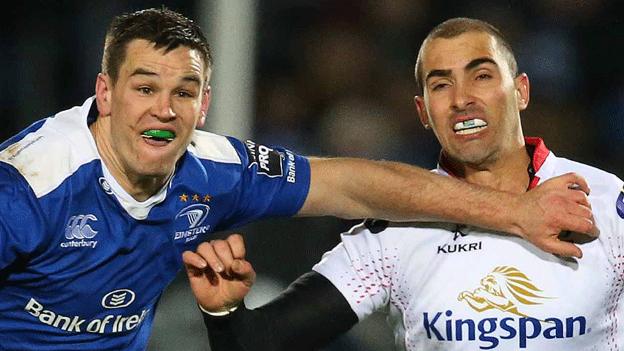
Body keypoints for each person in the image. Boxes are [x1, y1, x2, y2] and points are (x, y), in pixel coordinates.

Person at [0, 8, 594, 350]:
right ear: (103, 93)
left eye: (184, 92)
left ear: (204, 105)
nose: (165, 110)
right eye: (145, 89)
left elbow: (351, 184)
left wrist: (517, 213)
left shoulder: (214, 171)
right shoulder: (31, 186)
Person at [187, 17, 623, 351]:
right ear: (422, 111)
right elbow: (259, 342)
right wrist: (223, 311)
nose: (461, 98)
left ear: (521, 91)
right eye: (440, 84)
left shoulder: (607, 201)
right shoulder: (394, 233)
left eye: (482, 75)